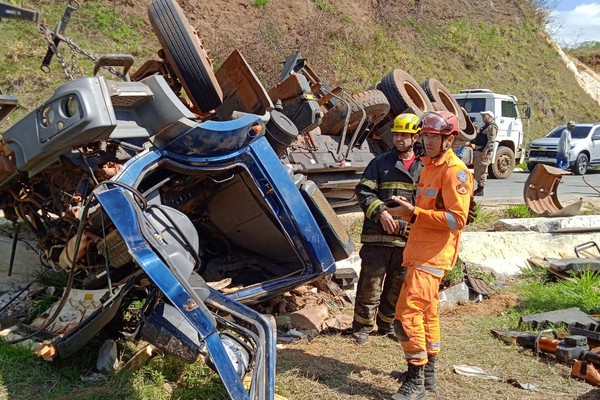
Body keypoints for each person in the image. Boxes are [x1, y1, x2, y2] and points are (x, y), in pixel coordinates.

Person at [386, 111, 473, 400]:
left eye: (434, 138)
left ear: (449, 139)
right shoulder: (428, 167)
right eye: (426, 136)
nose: (428, 142)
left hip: (433, 256)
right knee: (427, 312)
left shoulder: (454, 171)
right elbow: (426, 211)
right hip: (419, 251)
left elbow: (456, 219)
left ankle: (415, 379)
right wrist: (408, 213)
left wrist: (415, 213)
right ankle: (429, 374)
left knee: (405, 315)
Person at [351, 113, 424, 345]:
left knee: (396, 287)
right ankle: (362, 327)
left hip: (406, 240)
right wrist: (380, 211)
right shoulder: (380, 163)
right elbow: (363, 191)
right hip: (377, 238)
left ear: (416, 137)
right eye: (396, 134)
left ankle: (387, 325)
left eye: (405, 135)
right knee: (369, 284)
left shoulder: (425, 168)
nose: (399, 139)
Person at [469, 111, 497, 196]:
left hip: (483, 152)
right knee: (477, 170)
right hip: (479, 151)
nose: (483, 118)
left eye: (485, 116)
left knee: (482, 170)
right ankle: (479, 187)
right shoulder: (485, 127)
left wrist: (485, 151)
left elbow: (491, 140)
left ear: (490, 117)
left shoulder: (491, 127)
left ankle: (481, 189)